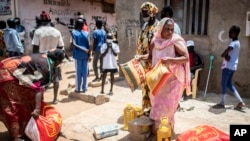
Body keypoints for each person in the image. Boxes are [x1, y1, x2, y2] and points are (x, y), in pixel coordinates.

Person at [138, 17, 190, 133]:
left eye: (172, 29)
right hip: (158, 80)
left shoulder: (175, 41)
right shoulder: (154, 42)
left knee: (168, 107)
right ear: (160, 29)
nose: (170, 32)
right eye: (167, 29)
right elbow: (150, 56)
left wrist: (171, 60)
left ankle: (167, 132)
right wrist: (141, 57)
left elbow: (186, 58)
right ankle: (158, 132)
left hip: (172, 81)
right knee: (156, 105)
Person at [0, 48, 65, 141]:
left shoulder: (46, 58)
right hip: (6, 74)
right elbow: (39, 89)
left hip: (12, 70)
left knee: (29, 99)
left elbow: (37, 85)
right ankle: (16, 136)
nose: (61, 63)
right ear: (57, 60)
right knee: (13, 104)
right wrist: (37, 109)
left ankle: (25, 127)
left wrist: (37, 105)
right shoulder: (45, 67)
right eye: (61, 61)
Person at [32, 11, 64, 104]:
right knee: (56, 79)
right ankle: (55, 99)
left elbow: (35, 49)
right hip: (55, 59)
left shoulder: (37, 32)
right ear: (50, 20)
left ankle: (41, 101)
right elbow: (61, 46)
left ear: (41, 21)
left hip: (42, 59)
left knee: (41, 81)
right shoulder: (57, 32)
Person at [212, 25, 245, 110]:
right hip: (233, 66)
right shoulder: (238, 43)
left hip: (228, 66)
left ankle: (222, 103)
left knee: (224, 84)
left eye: (231, 32)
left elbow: (225, 52)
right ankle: (240, 102)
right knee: (229, 84)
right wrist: (226, 55)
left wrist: (224, 54)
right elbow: (229, 53)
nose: (229, 33)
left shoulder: (233, 43)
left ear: (235, 33)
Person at [136, 1, 159, 115]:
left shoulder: (158, 27)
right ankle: (147, 109)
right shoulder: (145, 26)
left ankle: (154, 111)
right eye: (142, 13)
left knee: (153, 87)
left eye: (146, 13)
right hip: (143, 62)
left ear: (152, 13)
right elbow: (140, 42)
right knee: (145, 86)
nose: (144, 15)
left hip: (153, 62)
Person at [71, 18, 90, 93]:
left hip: (78, 55)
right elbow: (89, 45)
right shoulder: (86, 33)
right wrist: (88, 53)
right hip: (85, 55)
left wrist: (82, 49)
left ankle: (78, 88)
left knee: (78, 72)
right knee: (85, 71)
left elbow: (74, 44)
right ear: (83, 25)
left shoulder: (73, 33)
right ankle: (84, 88)